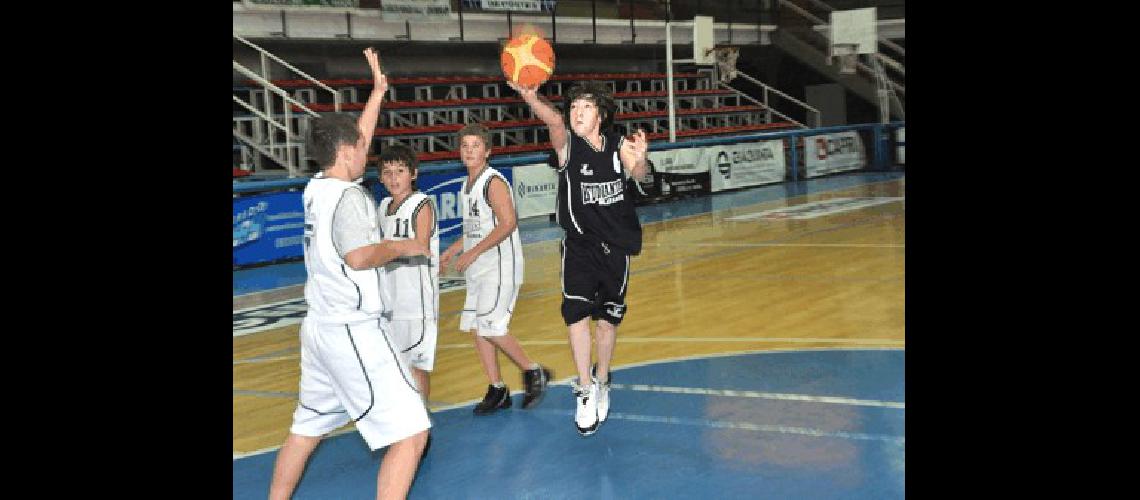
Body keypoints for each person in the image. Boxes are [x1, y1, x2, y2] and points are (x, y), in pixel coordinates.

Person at [269, 48, 430, 500]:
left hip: (318, 328)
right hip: (353, 330)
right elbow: (360, 257)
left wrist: (376, 93)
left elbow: (353, 137)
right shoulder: (352, 199)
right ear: (344, 152)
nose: (368, 148)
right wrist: (405, 246)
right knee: (412, 432)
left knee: (305, 429)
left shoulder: (317, 188)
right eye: (361, 146)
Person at [510, 80, 649, 436]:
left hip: (616, 247)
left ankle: (602, 379)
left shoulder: (619, 145)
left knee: (606, 322)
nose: (576, 113)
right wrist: (530, 96)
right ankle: (585, 389)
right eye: (573, 107)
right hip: (579, 247)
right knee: (576, 316)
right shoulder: (568, 147)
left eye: (585, 107)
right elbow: (554, 123)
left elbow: (639, 175)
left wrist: (642, 158)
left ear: (600, 116)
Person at [439, 123, 552, 415]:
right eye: (465, 146)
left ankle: (533, 370)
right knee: (478, 328)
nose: (469, 151)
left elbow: (508, 223)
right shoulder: (468, 184)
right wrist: (454, 249)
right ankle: (497, 388)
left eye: (475, 146)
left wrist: (474, 251)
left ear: (487, 151)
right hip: (480, 266)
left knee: (492, 326)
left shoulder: (493, 182)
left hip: (499, 266)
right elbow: (475, 227)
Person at [376, 144, 439, 409]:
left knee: (416, 366)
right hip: (390, 300)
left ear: (413, 173)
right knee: (392, 366)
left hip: (417, 302)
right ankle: (403, 421)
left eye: (399, 171)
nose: (393, 178)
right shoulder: (382, 207)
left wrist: (383, 251)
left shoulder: (421, 204)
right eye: (387, 172)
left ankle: (421, 423)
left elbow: (420, 245)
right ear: (380, 177)